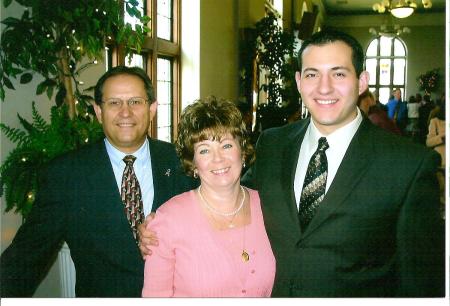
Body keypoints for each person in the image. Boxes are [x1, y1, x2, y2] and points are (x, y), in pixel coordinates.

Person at [241, 29, 444, 297]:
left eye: (338, 74)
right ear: (299, 81)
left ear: (361, 82)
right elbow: (235, 203)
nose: (324, 88)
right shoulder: (272, 145)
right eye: (312, 74)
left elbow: (421, 280)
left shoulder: (408, 165)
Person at [0, 66, 196, 297]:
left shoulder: (183, 162)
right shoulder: (66, 175)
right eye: (114, 103)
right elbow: (25, 257)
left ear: (151, 109)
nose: (125, 112)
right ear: (99, 111)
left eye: (135, 102)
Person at [141, 97, 275, 297]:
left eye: (227, 145)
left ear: (243, 151)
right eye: (204, 150)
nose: (218, 158)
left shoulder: (270, 207)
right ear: (193, 163)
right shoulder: (167, 220)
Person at [426, 100, 445, 218]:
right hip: (442, 163)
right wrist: (442, 137)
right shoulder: (435, 121)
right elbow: (428, 142)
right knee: (442, 192)